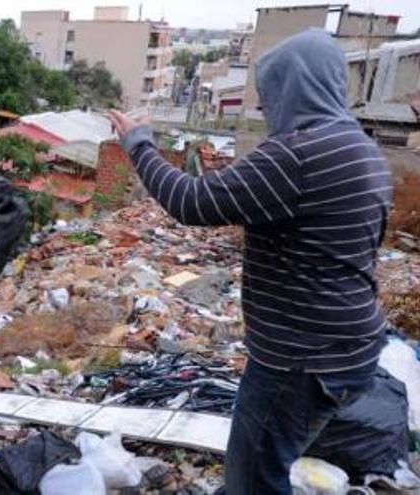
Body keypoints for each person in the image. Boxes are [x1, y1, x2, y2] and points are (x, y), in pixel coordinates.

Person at [107, 29, 392, 493]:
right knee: (268, 462)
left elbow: (192, 202)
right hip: (354, 350)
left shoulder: (297, 155)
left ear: (295, 88)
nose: (265, 108)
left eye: (272, 92)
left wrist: (139, 143)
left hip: (300, 359)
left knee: (253, 481)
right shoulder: (362, 150)